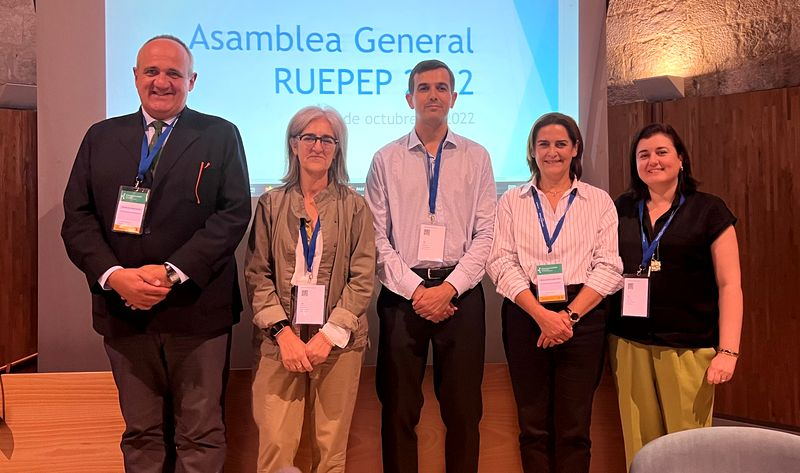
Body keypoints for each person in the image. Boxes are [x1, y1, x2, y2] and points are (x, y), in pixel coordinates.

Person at [61, 35, 251, 472]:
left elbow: (233, 214)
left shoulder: (220, 134)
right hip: (123, 311)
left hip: (197, 312)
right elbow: (78, 218)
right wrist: (114, 275)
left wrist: (171, 273)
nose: (161, 82)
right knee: (141, 435)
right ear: (135, 76)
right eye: (151, 71)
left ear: (192, 80)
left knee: (200, 434)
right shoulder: (101, 137)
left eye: (173, 73)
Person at [365, 59, 496, 473]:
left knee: (463, 412)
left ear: (454, 98)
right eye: (424, 88)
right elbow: (375, 236)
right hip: (403, 298)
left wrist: (449, 288)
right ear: (409, 98)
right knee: (399, 409)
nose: (433, 95)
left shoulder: (477, 157)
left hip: (461, 296)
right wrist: (417, 291)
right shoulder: (385, 159)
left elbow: (487, 235)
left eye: (442, 87)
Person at [486, 112, 623, 473]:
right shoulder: (511, 201)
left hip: (583, 316)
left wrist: (568, 317)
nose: (552, 152)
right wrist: (542, 316)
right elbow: (500, 262)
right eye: (543, 144)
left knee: (575, 428)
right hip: (526, 314)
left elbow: (609, 267)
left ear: (575, 148)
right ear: (532, 150)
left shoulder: (598, 201)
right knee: (532, 427)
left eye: (561, 143)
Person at [245, 106, 375, 473]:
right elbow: (258, 275)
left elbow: (363, 278)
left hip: (338, 343)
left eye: (327, 139)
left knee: (331, 452)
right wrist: (283, 334)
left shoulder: (355, 207)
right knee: (274, 450)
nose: (317, 146)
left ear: (337, 148)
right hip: (279, 341)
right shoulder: (271, 204)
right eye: (309, 137)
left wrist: (328, 336)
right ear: (294, 144)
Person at [608, 123, 743, 469]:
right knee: (639, 447)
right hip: (629, 344)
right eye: (643, 154)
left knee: (688, 448)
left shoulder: (709, 210)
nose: (653, 160)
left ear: (681, 159)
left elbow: (730, 285)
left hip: (688, 348)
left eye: (661, 152)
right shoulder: (621, 208)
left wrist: (728, 351)